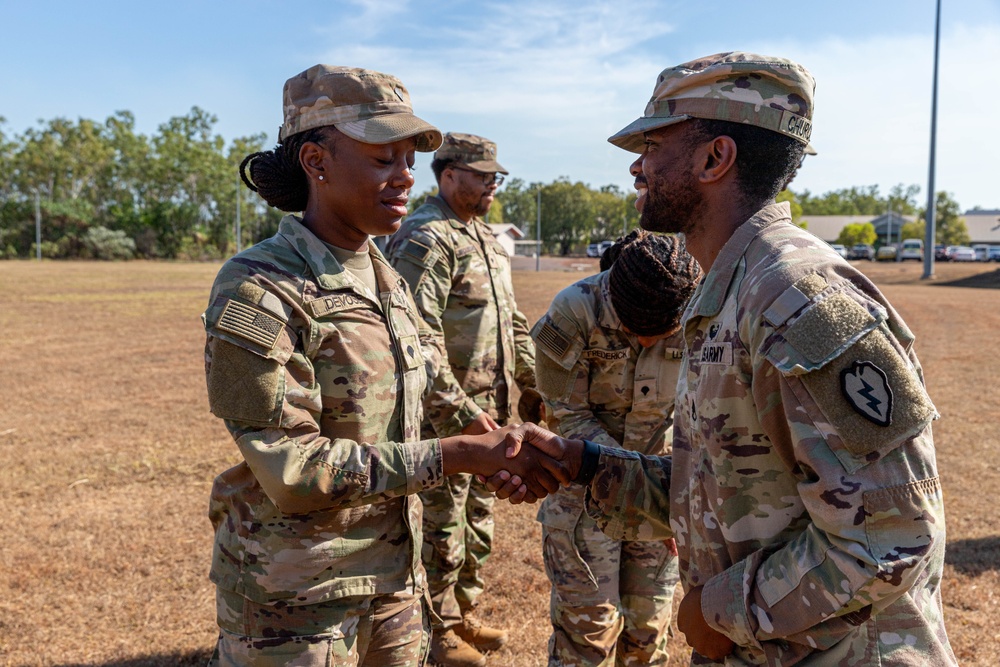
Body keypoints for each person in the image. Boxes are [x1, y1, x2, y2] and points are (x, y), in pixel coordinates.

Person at [491, 51, 957, 665]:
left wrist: (723, 613)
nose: (638, 166)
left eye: (654, 144)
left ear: (715, 158)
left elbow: (893, 535)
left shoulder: (799, 300)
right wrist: (584, 465)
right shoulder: (732, 292)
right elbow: (729, 492)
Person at [201, 65, 566, 667]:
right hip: (297, 599)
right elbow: (293, 471)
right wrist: (458, 456)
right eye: (382, 159)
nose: (403, 177)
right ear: (316, 161)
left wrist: (494, 437)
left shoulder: (382, 274)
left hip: (394, 577)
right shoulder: (259, 287)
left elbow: (430, 381)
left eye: (407, 160)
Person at [387, 132, 537, 667]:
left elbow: (513, 321)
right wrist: (465, 415)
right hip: (442, 421)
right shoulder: (426, 239)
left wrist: (533, 379)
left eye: (496, 174)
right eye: (483, 174)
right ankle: (433, 631)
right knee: (438, 527)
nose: (493, 183)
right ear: (449, 175)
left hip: (488, 414)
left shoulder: (484, 239)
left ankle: (460, 613)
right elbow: (416, 342)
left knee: (476, 524)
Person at [531, 229, 700, 666]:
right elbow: (568, 416)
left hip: (662, 495)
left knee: (648, 631)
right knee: (589, 632)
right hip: (584, 492)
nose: (646, 344)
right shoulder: (573, 312)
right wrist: (641, 477)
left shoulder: (703, 312)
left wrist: (680, 499)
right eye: (633, 331)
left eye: (662, 335)